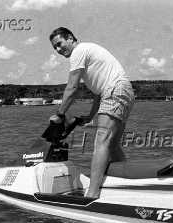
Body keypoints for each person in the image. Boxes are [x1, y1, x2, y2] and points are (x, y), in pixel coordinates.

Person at [48, 27, 135, 198]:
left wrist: (60, 114)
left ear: (71, 38)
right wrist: (90, 115)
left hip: (115, 90)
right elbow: (98, 93)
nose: (58, 50)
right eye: (55, 48)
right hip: (123, 91)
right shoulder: (88, 52)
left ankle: (92, 194)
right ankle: (128, 184)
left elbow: (72, 87)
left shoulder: (78, 52)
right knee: (112, 144)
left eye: (59, 44)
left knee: (101, 142)